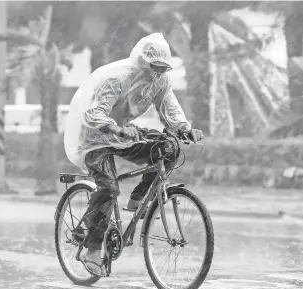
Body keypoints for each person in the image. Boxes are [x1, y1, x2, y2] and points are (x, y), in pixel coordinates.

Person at [63, 33, 203, 276]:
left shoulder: (160, 81)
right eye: (153, 68)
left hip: (123, 135)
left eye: (162, 69)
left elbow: (171, 107)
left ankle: (138, 198)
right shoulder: (117, 79)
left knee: (169, 147)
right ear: (142, 63)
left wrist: (185, 129)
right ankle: (92, 249)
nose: (157, 74)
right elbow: (94, 114)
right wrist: (117, 129)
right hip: (94, 138)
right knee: (108, 188)